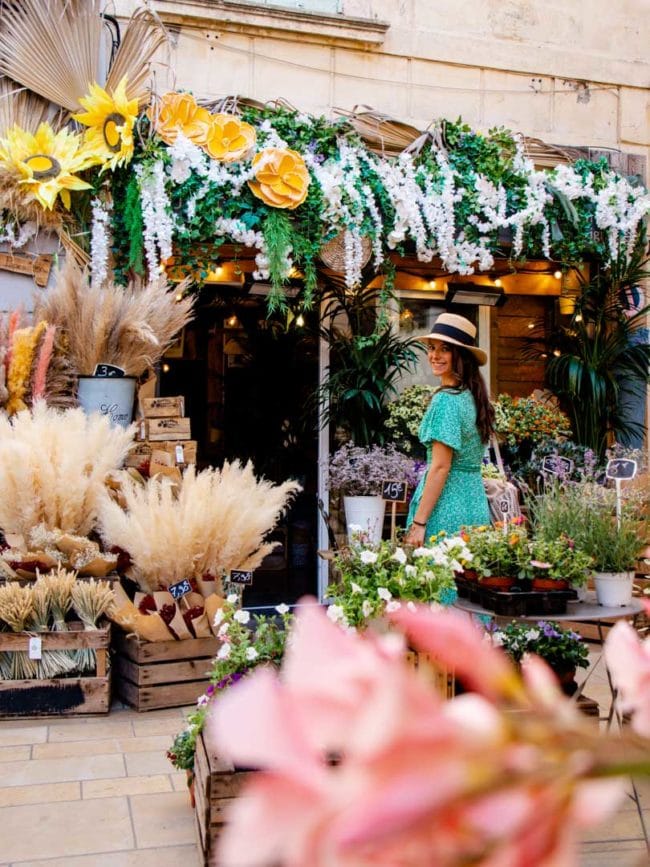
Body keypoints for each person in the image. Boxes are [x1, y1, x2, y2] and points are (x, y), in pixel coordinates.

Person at [404, 312, 494, 546]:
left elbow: (441, 467)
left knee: (439, 581)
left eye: (445, 349)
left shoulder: (446, 401)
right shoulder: (472, 397)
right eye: (432, 348)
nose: (434, 355)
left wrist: (419, 522)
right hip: (475, 507)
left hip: (446, 511)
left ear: (460, 356)